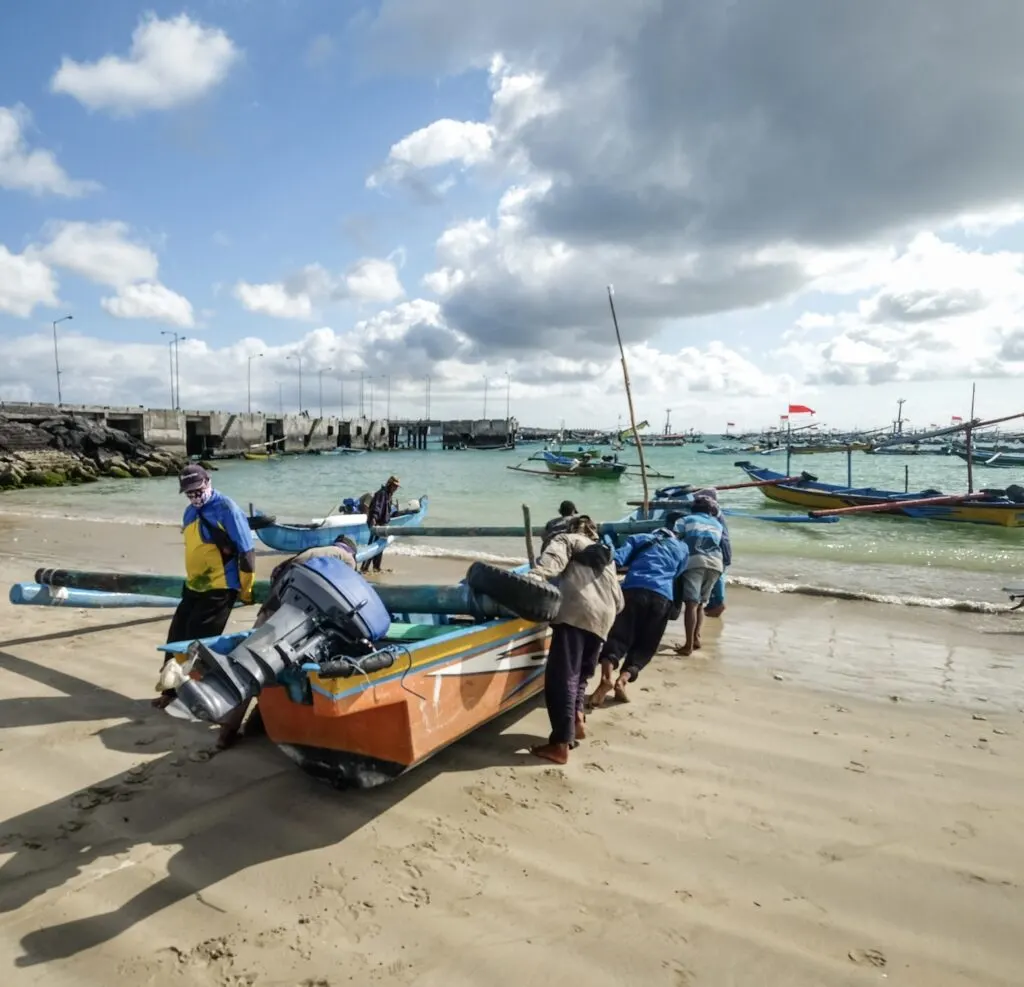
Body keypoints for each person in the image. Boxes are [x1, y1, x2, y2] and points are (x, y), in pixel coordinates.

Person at [208, 535, 360, 750]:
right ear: (352, 551)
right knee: (284, 667)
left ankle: (228, 732)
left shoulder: (314, 552)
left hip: (270, 609)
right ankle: (269, 723)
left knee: (248, 668)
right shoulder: (346, 559)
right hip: (293, 620)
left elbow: (277, 573)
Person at [155, 464, 256, 711]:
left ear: (208, 482)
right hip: (194, 587)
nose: (195, 496)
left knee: (197, 645)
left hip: (221, 587)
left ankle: (195, 697)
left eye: (198, 490)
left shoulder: (227, 509)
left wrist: (246, 589)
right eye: (189, 493)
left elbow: (247, 553)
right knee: (176, 638)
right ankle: (170, 691)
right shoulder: (189, 512)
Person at [527, 515, 624, 765]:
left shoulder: (565, 539)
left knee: (562, 677)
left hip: (575, 612)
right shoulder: (607, 558)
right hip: (604, 618)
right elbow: (620, 602)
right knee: (581, 676)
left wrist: (535, 576)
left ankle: (560, 744)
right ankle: (578, 718)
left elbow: (553, 562)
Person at [588, 524, 689, 707]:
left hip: (633, 590)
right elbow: (678, 572)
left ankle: (606, 678)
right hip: (662, 596)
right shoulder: (682, 547)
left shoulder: (639, 538)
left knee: (618, 637)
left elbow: (616, 560)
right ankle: (623, 681)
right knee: (646, 644)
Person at [675, 496, 726, 655]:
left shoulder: (684, 520)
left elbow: (675, 540)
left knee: (691, 603)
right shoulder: (717, 524)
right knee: (701, 604)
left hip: (695, 561)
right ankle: (696, 638)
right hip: (716, 564)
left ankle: (688, 646)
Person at [691, 488, 731, 619]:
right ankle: (714, 603)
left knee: (718, 575)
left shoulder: (714, 513)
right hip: (720, 548)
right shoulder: (715, 511)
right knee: (716, 575)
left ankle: (718, 604)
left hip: (720, 548)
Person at [360, 475, 400, 574]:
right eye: (394, 486)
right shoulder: (382, 494)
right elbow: (376, 507)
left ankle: (376, 567)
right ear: (390, 484)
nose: (395, 488)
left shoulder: (388, 495)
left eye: (397, 487)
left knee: (380, 546)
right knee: (373, 546)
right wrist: (373, 519)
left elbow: (387, 510)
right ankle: (364, 568)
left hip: (383, 523)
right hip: (377, 523)